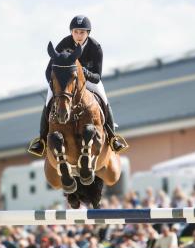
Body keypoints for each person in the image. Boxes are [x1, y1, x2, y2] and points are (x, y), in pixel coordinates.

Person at [28, 15, 125, 157]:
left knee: (104, 100)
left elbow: (97, 77)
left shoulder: (95, 48)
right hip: (64, 85)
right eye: (75, 32)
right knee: (49, 101)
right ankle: (41, 140)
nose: (78, 36)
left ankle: (112, 137)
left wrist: (85, 73)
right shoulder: (63, 44)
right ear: (71, 32)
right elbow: (49, 70)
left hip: (89, 82)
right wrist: (55, 85)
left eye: (82, 32)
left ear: (88, 33)